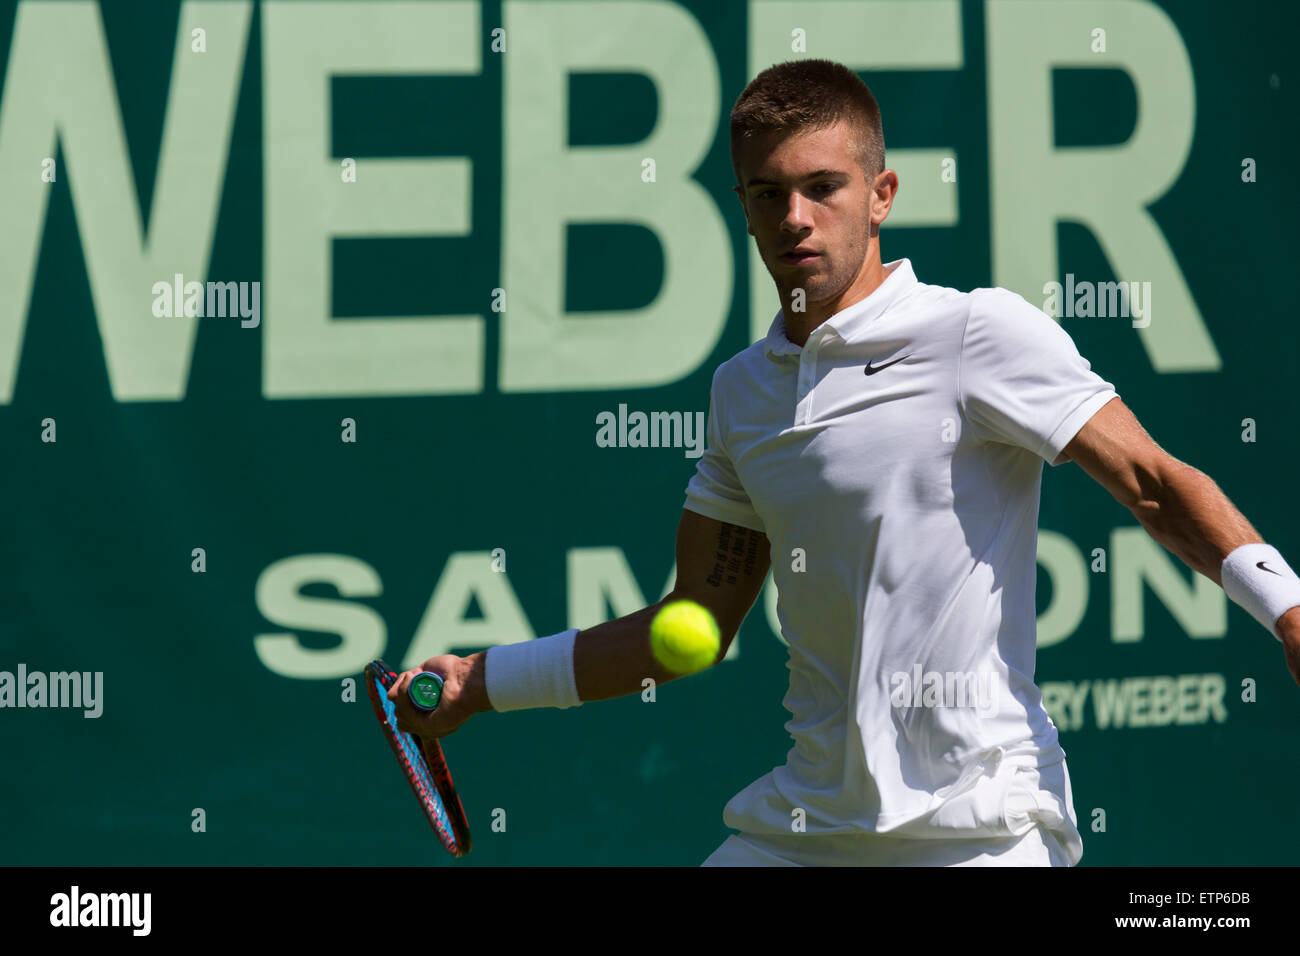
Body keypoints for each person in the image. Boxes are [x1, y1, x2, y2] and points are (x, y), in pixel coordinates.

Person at [388, 59, 1300, 866]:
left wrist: (1288, 610)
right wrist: (481, 682)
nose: (795, 218)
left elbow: (1150, 480)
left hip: (982, 830)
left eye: (823, 186)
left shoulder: (975, 333)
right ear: (741, 205)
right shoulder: (742, 393)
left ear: (882, 193)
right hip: (809, 826)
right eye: (765, 193)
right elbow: (692, 622)